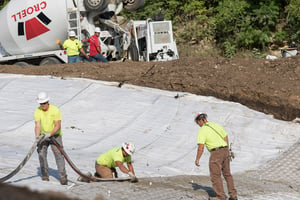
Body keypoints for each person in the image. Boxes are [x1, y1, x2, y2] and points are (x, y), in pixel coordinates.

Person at [194, 113, 237, 200]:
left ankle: (220, 197)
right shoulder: (215, 125)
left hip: (216, 153)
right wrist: (227, 148)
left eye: (197, 122)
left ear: (200, 120)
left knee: (215, 176)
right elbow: (225, 136)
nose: (198, 125)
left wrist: (197, 159)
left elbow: (201, 147)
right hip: (225, 150)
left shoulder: (202, 130)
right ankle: (233, 195)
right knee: (227, 174)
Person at [34, 92, 68, 185]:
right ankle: (45, 175)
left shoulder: (55, 110)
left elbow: (57, 125)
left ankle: (63, 177)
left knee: (58, 155)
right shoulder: (38, 111)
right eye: (41, 103)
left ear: (48, 101)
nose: (43, 105)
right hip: (43, 135)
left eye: (44, 103)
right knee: (41, 153)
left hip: (55, 135)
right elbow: (37, 125)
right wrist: (37, 137)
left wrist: (50, 134)